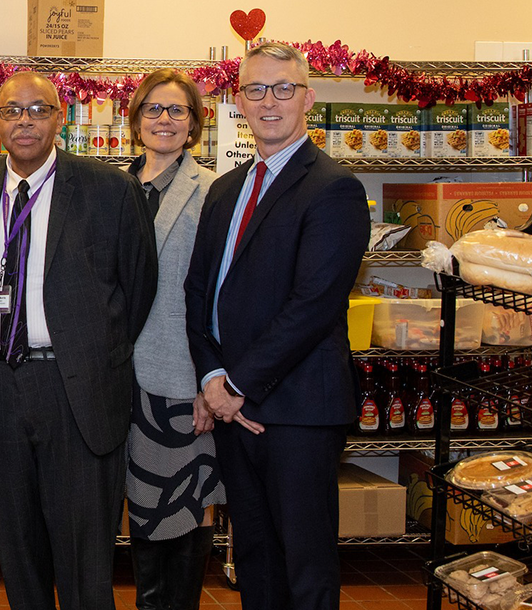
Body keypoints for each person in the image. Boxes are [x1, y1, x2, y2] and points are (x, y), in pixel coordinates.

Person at [0, 70, 156, 610]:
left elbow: (139, 288)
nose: (25, 120)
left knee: (84, 562)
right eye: (12, 110)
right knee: (18, 555)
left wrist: (93, 353)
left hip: (77, 394)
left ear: (59, 117)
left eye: (38, 109)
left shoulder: (110, 189)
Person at [184, 42, 369, 610]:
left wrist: (235, 387)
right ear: (239, 100)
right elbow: (199, 293)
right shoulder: (225, 189)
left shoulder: (334, 187)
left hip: (297, 413)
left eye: (283, 88)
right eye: (256, 90)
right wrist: (213, 377)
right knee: (256, 561)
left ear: (307, 98)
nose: (270, 102)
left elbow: (313, 306)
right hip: (235, 410)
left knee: (304, 567)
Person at [122, 68, 225, 610]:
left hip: (178, 379)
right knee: (140, 504)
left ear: (193, 125)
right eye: (153, 110)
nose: (164, 119)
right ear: (136, 120)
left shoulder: (213, 192)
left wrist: (207, 383)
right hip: (117, 381)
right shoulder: (113, 185)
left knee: (182, 503)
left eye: (177, 111)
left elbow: (218, 295)